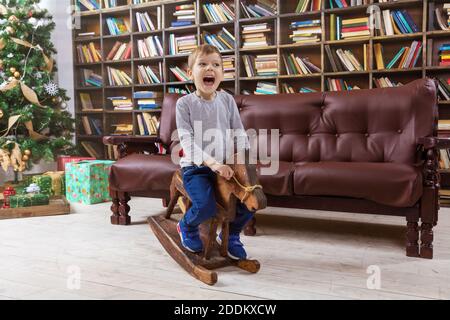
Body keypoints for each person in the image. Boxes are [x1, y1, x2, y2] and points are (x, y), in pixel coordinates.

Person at [175, 44, 254, 260]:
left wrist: (245, 159)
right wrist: (212, 163)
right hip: (197, 168)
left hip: (225, 167)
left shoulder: (227, 100)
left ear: (222, 73)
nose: (210, 69)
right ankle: (186, 226)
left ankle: (232, 236)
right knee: (205, 207)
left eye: (216, 65)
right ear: (190, 73)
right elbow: (187, 141)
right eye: (203, 64)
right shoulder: (184, 104)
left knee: (251, 200)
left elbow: (238, 130)